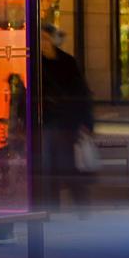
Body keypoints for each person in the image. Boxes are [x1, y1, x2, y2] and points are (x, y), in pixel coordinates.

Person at [41, 22, 96, 214]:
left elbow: (82, 93)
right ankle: (51, 208)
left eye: (46, 39)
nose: (43, 43)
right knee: (48, 167)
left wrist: (87, 122)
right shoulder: (35, 63)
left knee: (66, 165)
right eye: (40, 39)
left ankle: (81, 204)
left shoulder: (66, 62)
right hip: (46, 121)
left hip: (66, 122)